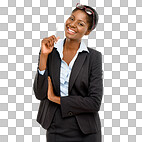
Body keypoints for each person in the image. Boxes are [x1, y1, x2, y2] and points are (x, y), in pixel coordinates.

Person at [33, 3, 103, 142]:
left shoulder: (93, 57)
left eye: (81, 24)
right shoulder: (50, 51)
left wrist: (56, 99)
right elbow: (40, 94)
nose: (72, 25)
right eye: (71, 19)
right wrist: (44, 56)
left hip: (86, 129)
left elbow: (94, 102)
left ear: (88, 31)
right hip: (55, 125)